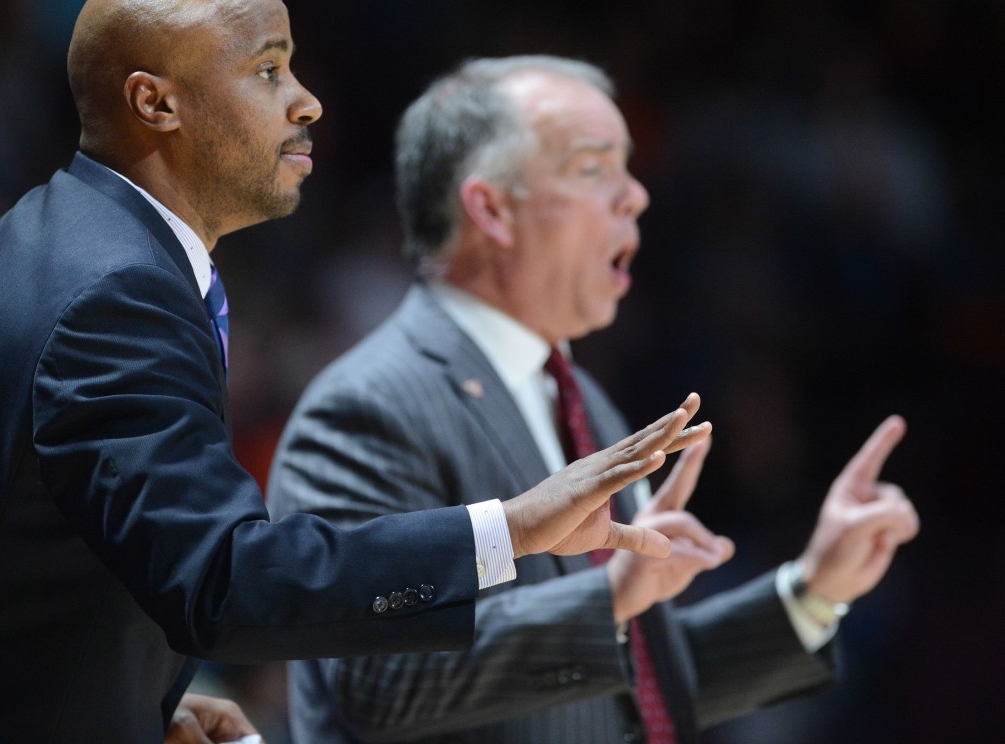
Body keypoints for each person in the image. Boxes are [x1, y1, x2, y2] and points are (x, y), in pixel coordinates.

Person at [0, 0, 712, 744]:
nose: (306, 99)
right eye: (268, 69)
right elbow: (225, 581)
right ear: (155, 102)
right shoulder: (112, 292)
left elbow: (34, 550)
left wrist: (128, 708)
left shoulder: (66, 242)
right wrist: (510, 531)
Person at [267, 56, 921, 743]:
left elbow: (626, 689)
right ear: (491, 208)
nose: (634, 195)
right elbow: (375, 683)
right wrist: (607, 600)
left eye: (629, 168)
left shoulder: (585, 405)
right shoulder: (369, 408)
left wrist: (813, 592)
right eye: (592, 168)